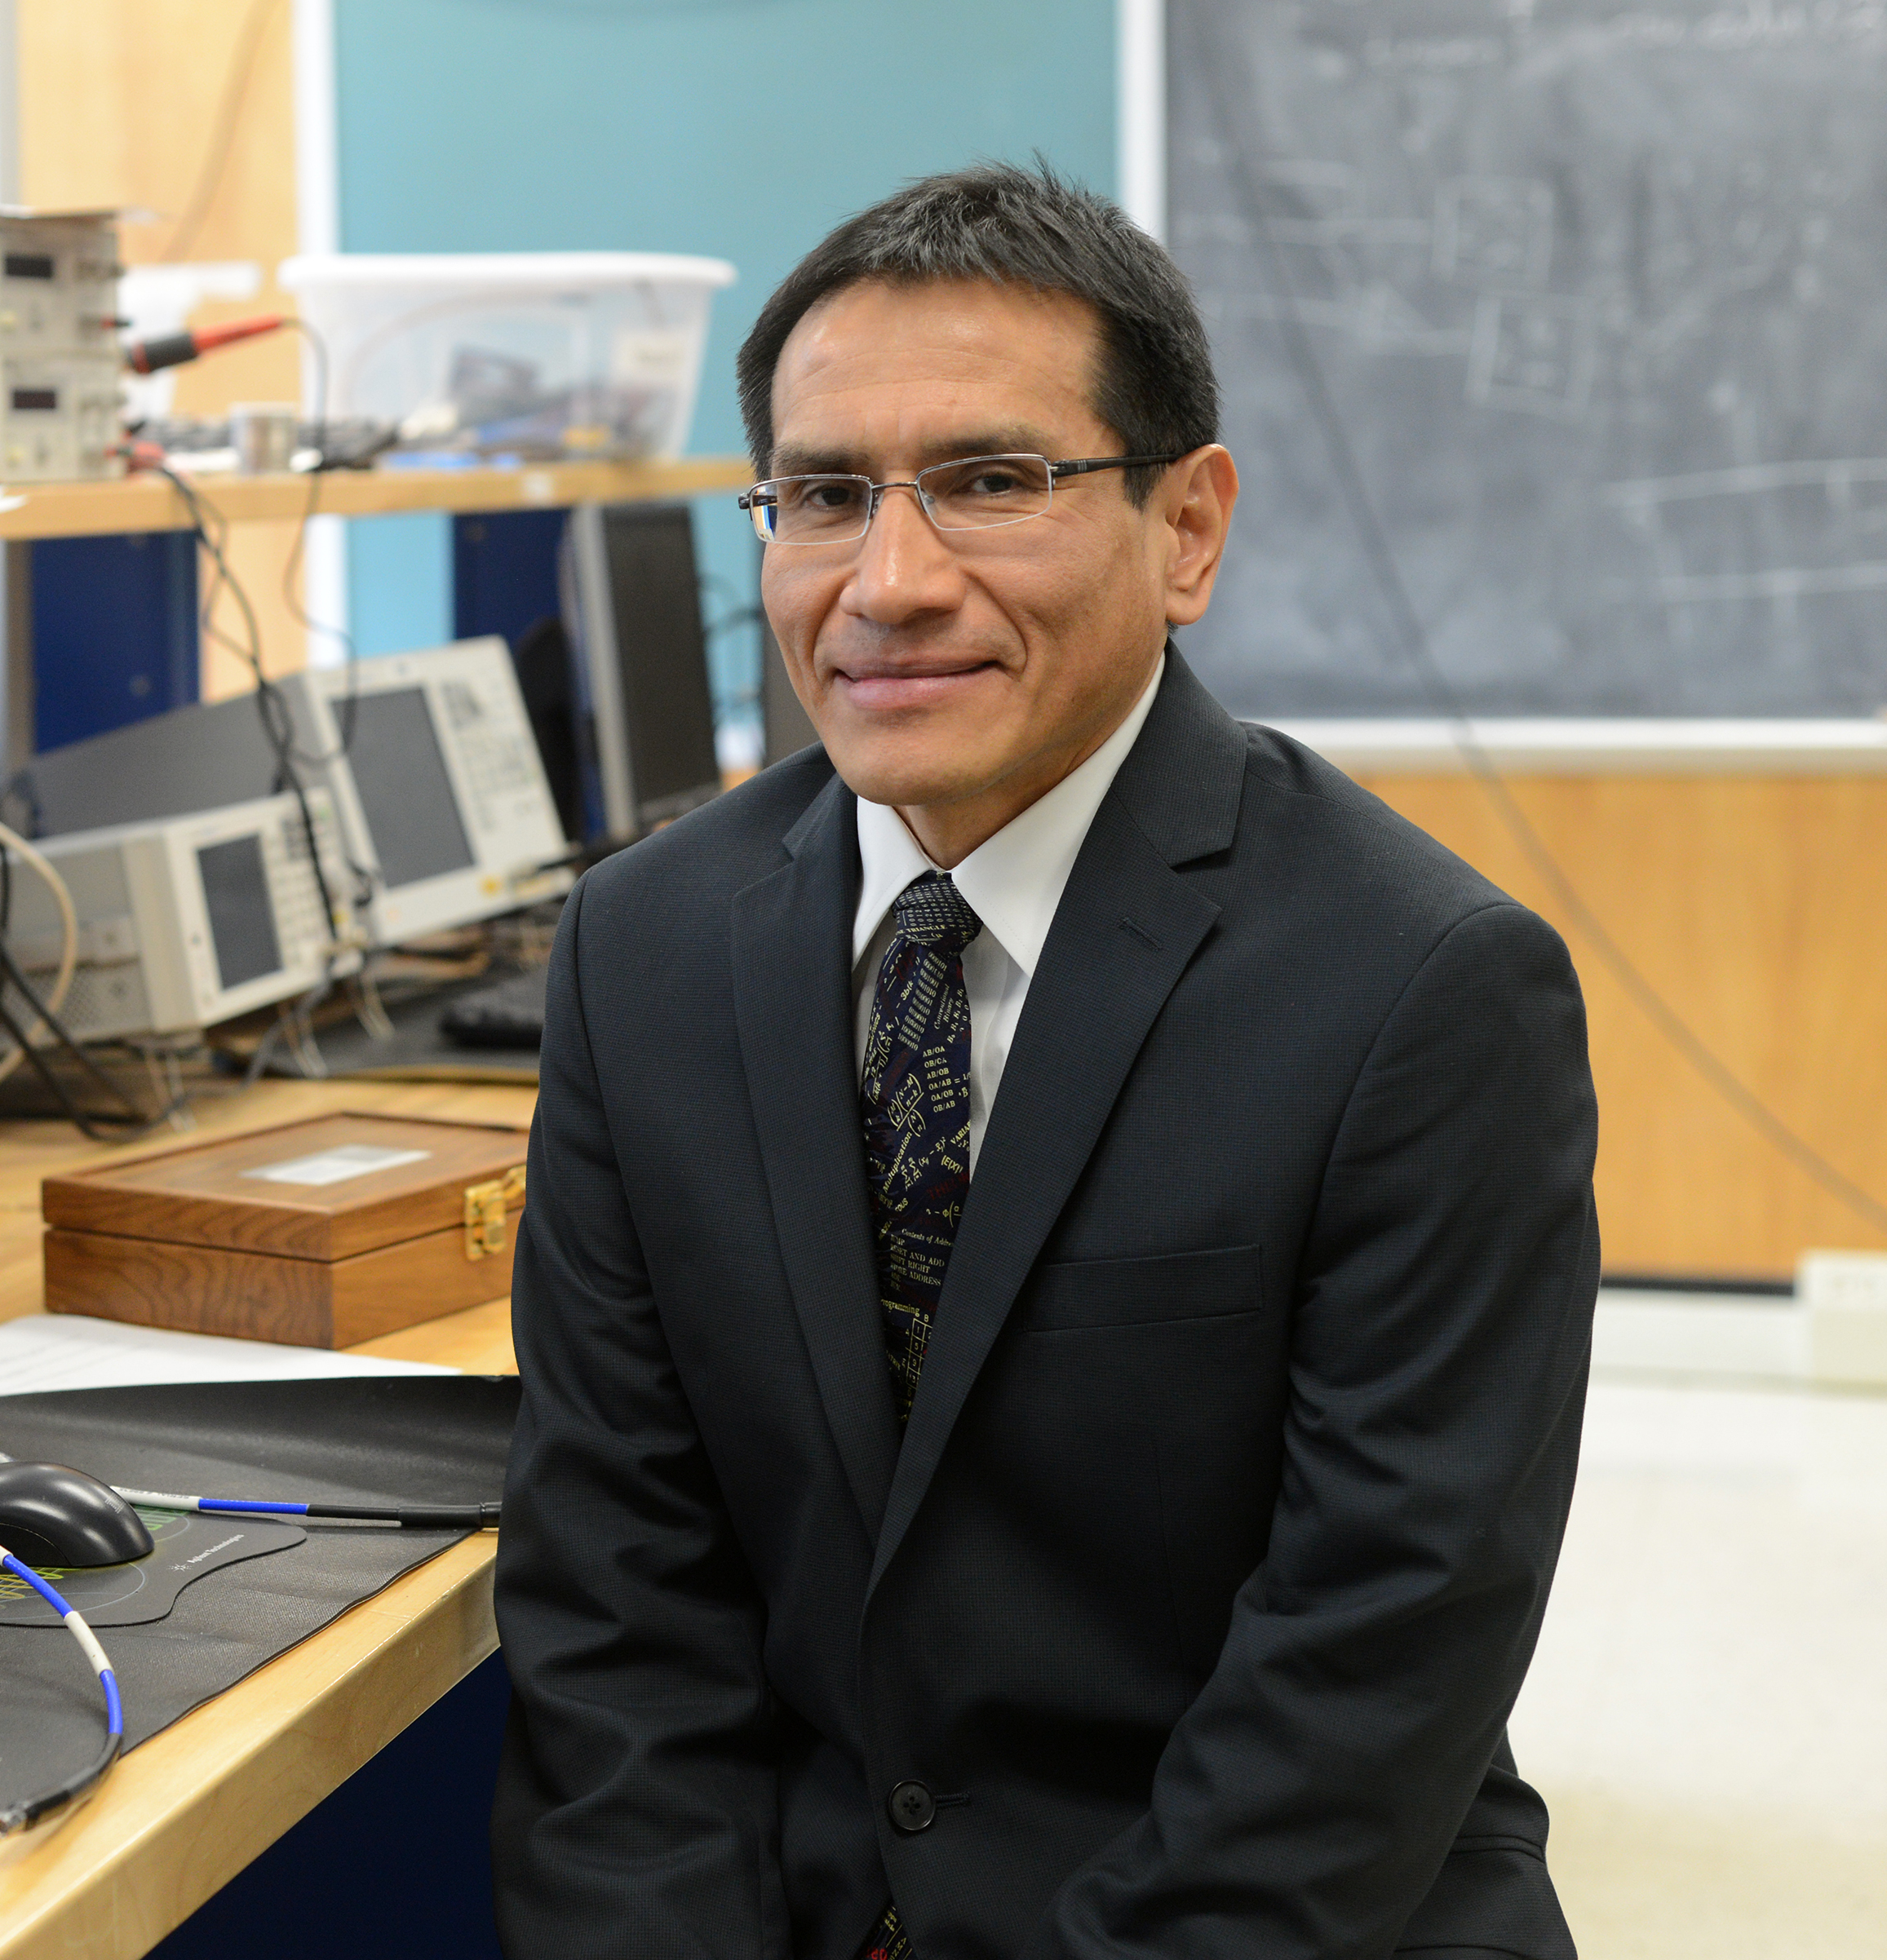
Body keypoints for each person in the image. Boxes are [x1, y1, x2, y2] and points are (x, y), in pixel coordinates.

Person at [491, 162, 1595, 1960]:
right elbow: (616, 1598)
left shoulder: (1425, 987)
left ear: (1189, 528)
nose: (891, 581)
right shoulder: (646, 947)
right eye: (826, 495)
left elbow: (1376, 1662)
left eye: (993, 483)